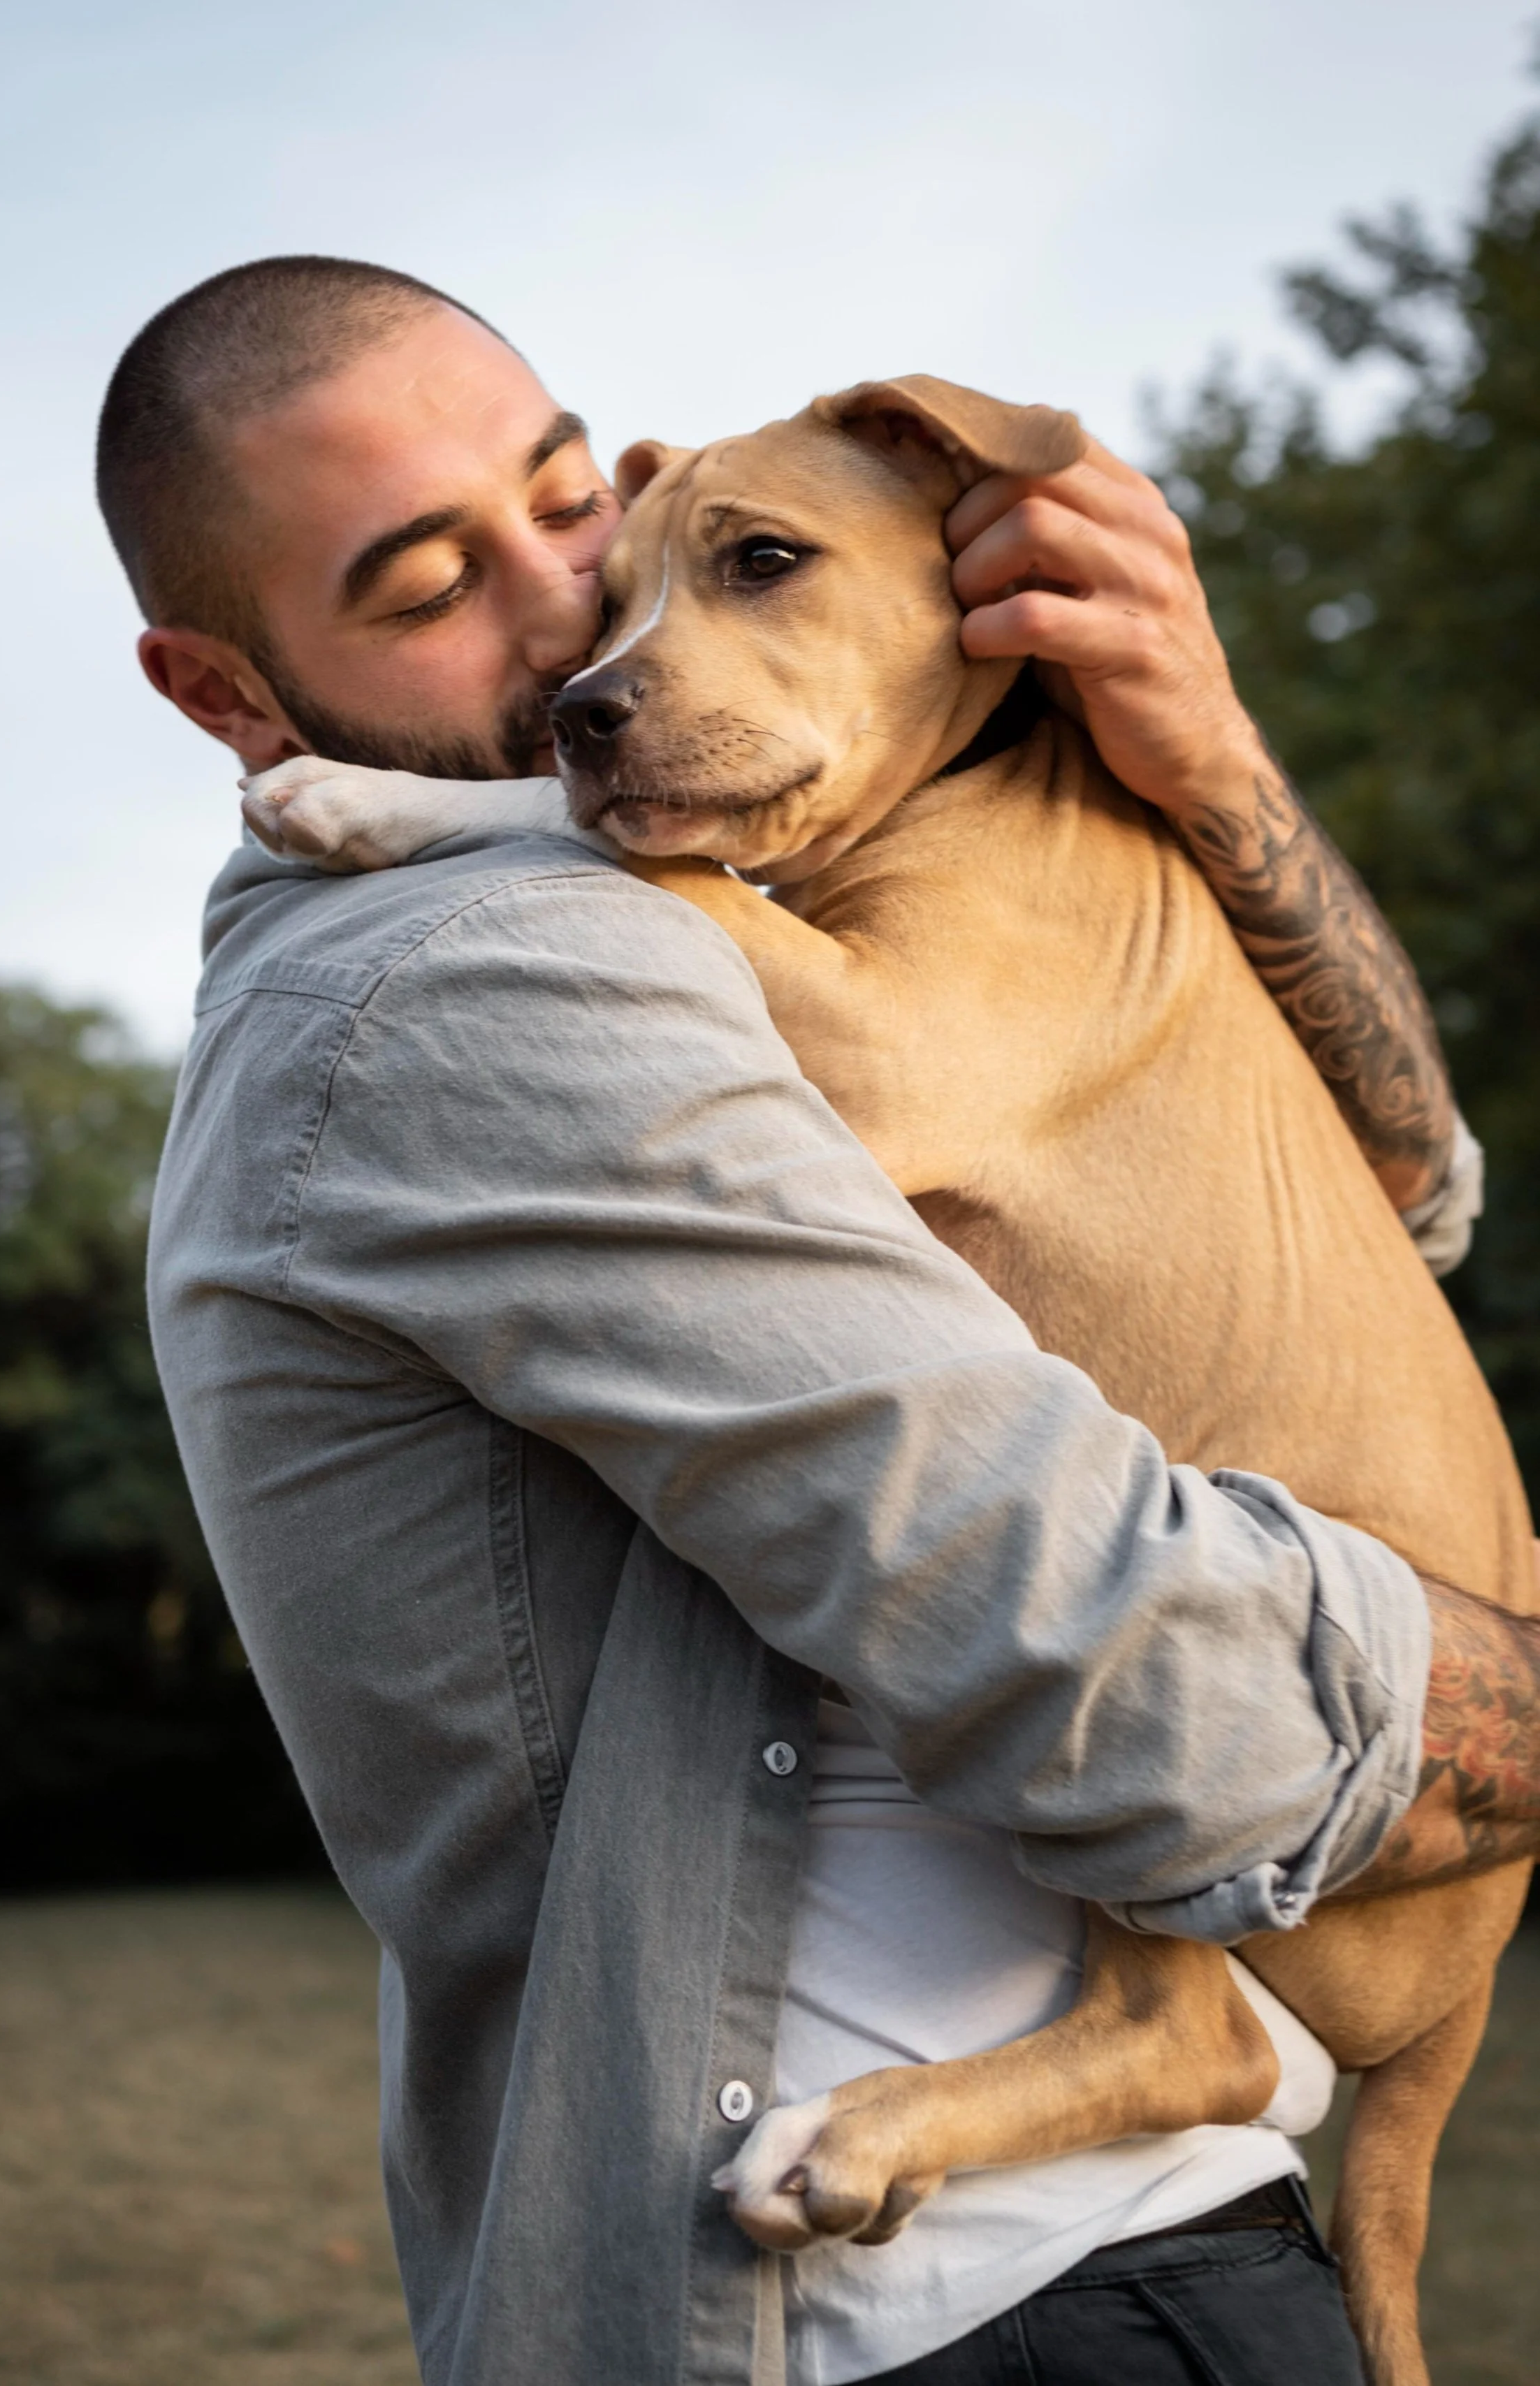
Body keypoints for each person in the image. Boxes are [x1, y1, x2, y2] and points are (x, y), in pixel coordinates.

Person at [101, 256, 1535, 2386]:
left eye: (569, 504)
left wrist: (1206, 765)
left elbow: (1400, 1192)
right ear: (231, 699)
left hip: (1079, 2243)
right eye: (423, 587)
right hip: (963, 2306)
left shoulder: (762, 880)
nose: (580, 624)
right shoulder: (489, 965)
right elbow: (1147, 1683)